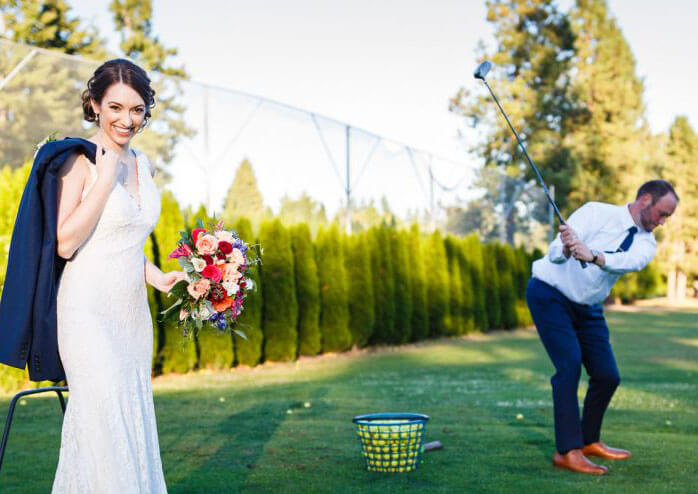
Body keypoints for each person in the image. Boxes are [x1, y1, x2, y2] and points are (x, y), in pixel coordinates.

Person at [48, 59, 186, 492]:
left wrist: (157, 276)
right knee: (102, 425)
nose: (127, 120)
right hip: (87, 312)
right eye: (116, 107)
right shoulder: (79, 161)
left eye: (137, 109)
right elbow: (66, 242)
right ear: (94, 104)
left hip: (130, 317)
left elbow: (123, 238)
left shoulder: (143, 165)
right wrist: (104, 179)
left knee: (131, 420)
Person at [525, 180, 678, 475]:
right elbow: (554, 251)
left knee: (607, 375)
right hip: (550, 294)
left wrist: (593, 255)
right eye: (662, 214)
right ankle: (567, 451)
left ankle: (588, 441)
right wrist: (569, 250)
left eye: (667, 217)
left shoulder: (647, 243)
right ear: (645, 199)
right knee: (568, 366)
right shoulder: (596, 212)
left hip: (589, 307)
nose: (663, 222)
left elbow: (626, 261)